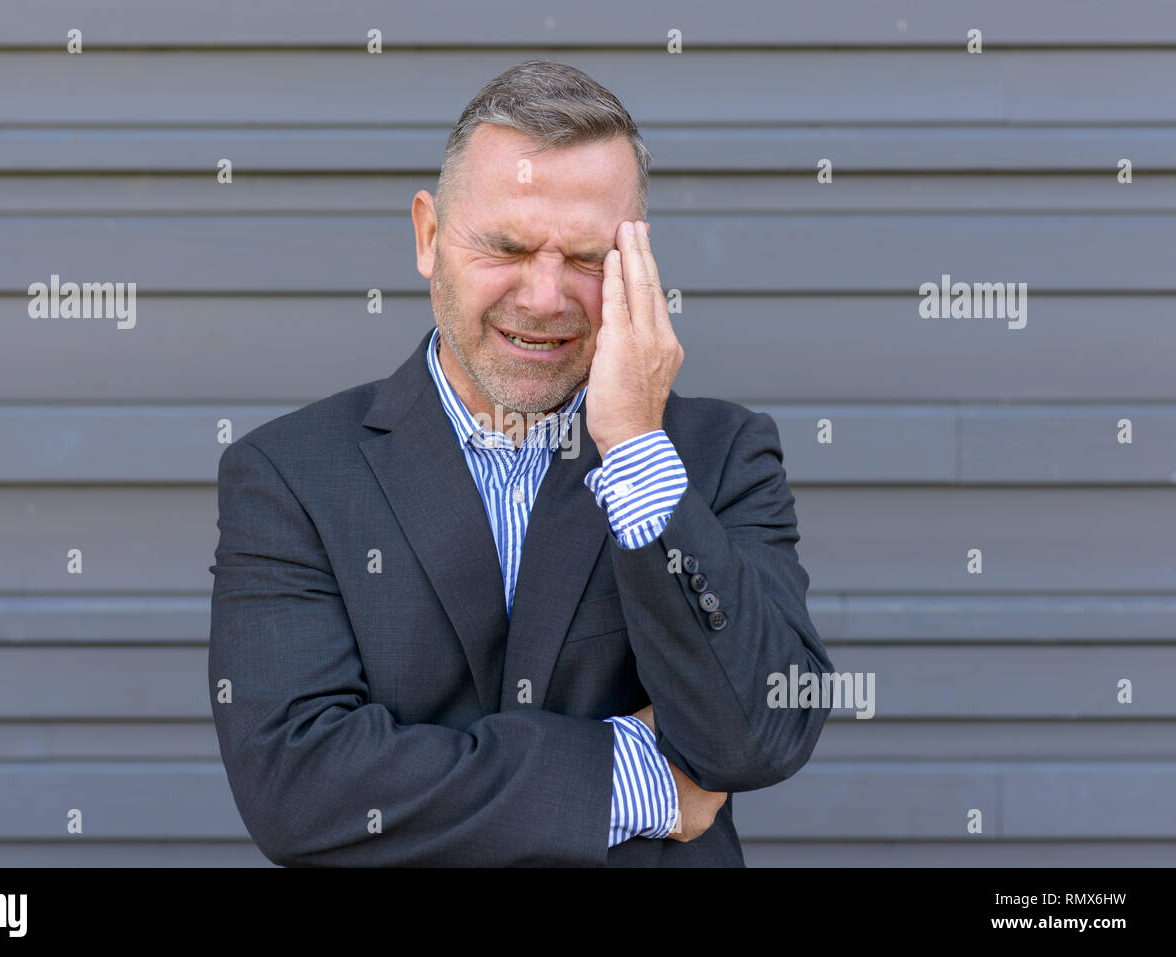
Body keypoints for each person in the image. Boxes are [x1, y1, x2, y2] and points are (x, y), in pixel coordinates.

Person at [208, 59, 834, 866]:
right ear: (429, 237)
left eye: (585, 258)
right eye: (506, 247)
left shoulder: (719, 456)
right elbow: (300, 784)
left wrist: (637, 451)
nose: (544, 297)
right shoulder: (290, 475)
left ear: (638, 266)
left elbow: (762, 732)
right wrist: (627, 774)